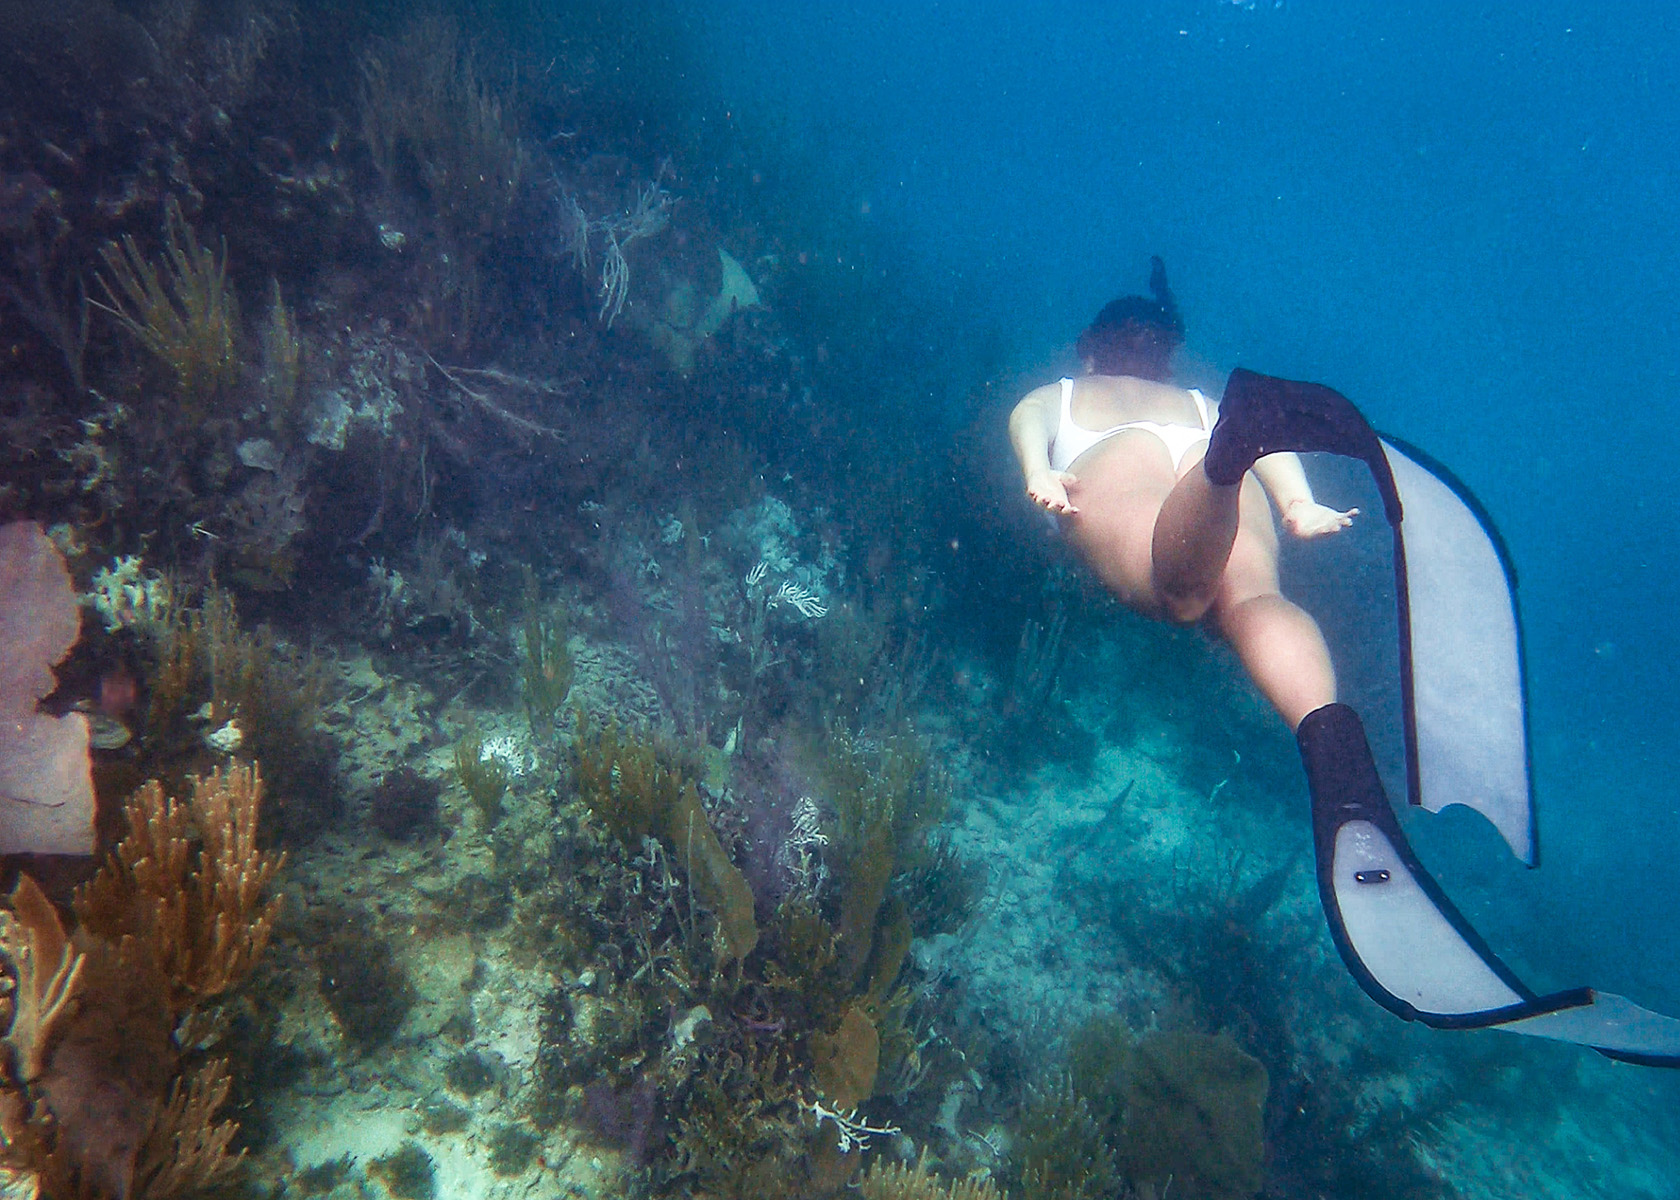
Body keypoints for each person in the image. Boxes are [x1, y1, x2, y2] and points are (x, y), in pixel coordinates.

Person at [1007, 258, 1357, 732]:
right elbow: (1270, 451)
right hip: (1202, 433)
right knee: (1254, 600)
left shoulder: (1068, 392)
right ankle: (1335, 752)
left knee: (1181, 597)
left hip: (1111, 451)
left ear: (1089, 345)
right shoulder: (1199, 401)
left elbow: (1029, 413)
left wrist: (1039, 470)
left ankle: (1218, 472)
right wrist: (1298, 501)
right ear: (1166, 356)